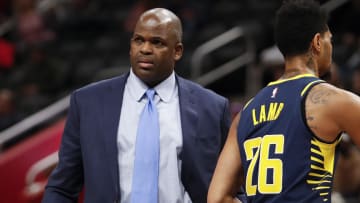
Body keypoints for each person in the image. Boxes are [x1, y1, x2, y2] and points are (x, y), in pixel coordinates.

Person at [42, 8, 231, 203]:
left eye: (157, 42)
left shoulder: (212, 108)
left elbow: (233, 188)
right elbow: (62, 188)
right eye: (139, 40)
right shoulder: (88, 103)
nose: (145, 49)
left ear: (177, 51)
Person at [208, 0, 360, 202]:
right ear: (317, 42)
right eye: (329, 40)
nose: (331, 48)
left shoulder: (246, 112)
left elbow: (216, 198)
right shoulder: (333, 100)